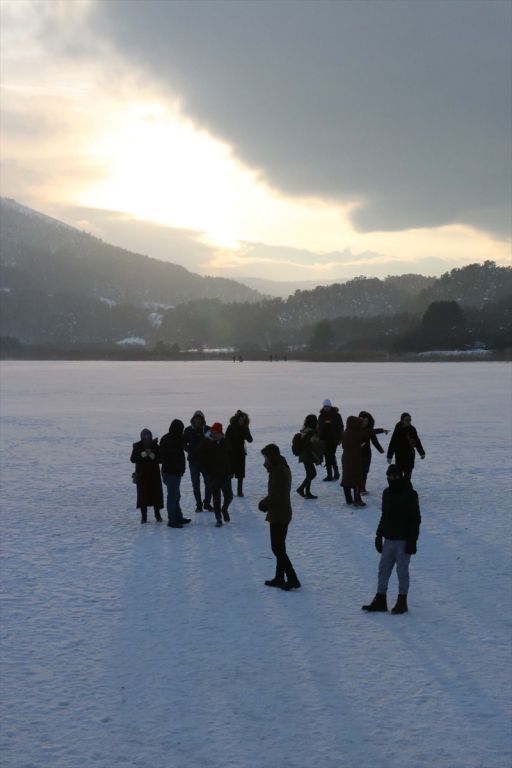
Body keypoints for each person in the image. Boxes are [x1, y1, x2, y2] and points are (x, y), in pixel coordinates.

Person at [362, 465, 421, 614]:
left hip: (403, 540)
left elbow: (415, 519)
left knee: (402, 571)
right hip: (388, 539)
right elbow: (384, 515)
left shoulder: (410, 494)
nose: (391, 479)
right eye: (389, 476)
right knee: (383, 570)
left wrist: (412, 541)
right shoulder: (387, 493)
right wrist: (379, 534)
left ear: (401, 476)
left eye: (395, 476)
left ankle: (402, 601)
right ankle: (380, 599)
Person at [258, 444, 301, 591]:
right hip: (282, 511)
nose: (265, 461)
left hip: (279, 513)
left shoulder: (278, 471)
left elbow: (275, 494)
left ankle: (292, 578)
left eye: (266, 457)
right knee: (280, 547)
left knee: (277, 549)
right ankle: (279, 577)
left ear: (271, 457)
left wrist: (263, 504)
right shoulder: (281, 467)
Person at [159, 419, 191, 529]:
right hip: (170, 473)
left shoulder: (176, 438)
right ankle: (172, 520)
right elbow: (162, 456)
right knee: (173, 496)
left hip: (174, 473)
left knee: (176, 496)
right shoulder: (169, 439)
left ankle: (178, 517)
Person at [200, 422, 233, 527]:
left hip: (226, 474)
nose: (213, 434)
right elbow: (203, 458)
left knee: (229, 496)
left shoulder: (227, 442)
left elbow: (232, 457)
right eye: (212, 432)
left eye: (216, 433)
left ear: (220, 433)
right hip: (213, 475)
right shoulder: (208, 443)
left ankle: (224, 509)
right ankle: (218, 518)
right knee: (216, 497)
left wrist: (231, 470)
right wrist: (207, 471)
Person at [130, 428, 164, 524]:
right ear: (142, 439)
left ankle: (157, 515)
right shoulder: (137, 446)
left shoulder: (155, 446)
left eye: (149, 439)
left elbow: (161, 459)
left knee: (156, 495)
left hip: (154, 476)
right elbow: (133, 459)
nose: (147, 441)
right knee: (142, 497)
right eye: (145, 439)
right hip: (142, 476)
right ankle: (144, 517)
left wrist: (153, 455)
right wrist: (143, 454)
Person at [184, 410, 213, 512]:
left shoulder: (208, 430)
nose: (197, 420)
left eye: (199, 419)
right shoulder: (188, 430)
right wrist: (190, 450)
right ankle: (199, 505)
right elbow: (183, 443)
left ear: (202, 420)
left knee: (209, 483)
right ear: (193, 419)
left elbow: (213, 442)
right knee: (195, 484)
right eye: (196, 419)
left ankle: (207, 503)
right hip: (193, 462)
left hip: (206, 462)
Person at [340, 416, 371, 507]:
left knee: (346, 479)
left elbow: (344, 446)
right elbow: (368, 432)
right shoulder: (355, 433)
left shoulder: (345, 432)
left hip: (346, 459)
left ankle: (349, 499)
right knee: (356, 480)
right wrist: (381, 430)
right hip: (355, 459)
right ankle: (357, 500)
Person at [387, 412, 426, 481]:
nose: (408, 422)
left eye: (409, 420)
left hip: (409, 455)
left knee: (408, 476)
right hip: (399, 455)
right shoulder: (398, 429)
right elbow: (393, 443)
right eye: (406, 420)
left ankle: (407, 486)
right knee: (399, 475)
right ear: (402, 420)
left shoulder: (412, 429)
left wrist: (422, 452)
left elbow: (417, 441)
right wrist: (389, 456)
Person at [358, 411, 389, 493]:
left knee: (365, 471)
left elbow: (374, 440)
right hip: (356, 454)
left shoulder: (369, 431)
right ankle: (358, 487)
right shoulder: (355, 429)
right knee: (358, 471)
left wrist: (381, 450)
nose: (364, 423)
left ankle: (362, 488)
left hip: (366, 454)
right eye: (362, 420)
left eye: (366, 421)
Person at [225, 409, 253, 497]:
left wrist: (246, 428)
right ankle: (229, 491)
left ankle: (239, 491)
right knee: (230, 473)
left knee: (240, 474)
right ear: (237, 419)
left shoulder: (245, 427)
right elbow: (226, 438)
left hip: (241, 453)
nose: (241, 421)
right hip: (231, 453)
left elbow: (250, 440)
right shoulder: (231, 427)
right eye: (240, 419)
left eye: (243, 420)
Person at [296, 414, 322, 499]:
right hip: (307, 456)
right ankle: (301, 488)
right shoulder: (310, 432)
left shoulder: (305, 430)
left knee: (309, 474)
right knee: (312, 474)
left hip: (305, 455)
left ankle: (307, 493)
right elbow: (309, 446)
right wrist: (315, 455)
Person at [318, 399, 344, 481]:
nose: (326, 408)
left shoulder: (336, 415)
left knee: (331, 456)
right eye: (325, 406)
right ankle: (330, 475)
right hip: (324, 440)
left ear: (330, 406)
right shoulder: (321, 416)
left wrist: (340, 438)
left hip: (333, 439)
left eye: (328, 406)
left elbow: (341, 427)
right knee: (327, 456)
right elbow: (319, 427)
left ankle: (336, 473)